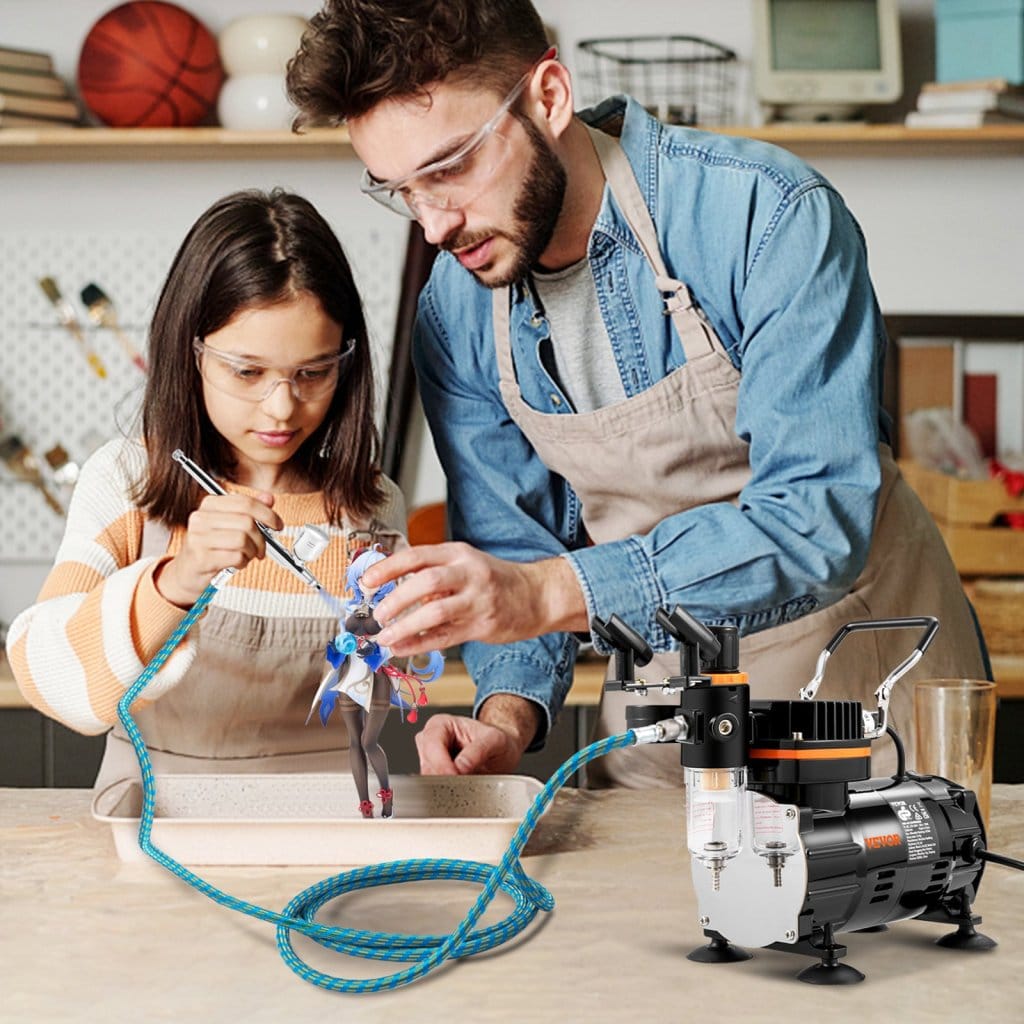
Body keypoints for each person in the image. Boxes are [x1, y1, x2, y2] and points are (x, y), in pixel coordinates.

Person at [286, 1, 988, 786]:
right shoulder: (453, 313)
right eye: (400, 190)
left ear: (548, 96)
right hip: (663, 732)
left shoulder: (762, 213)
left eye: (449, 169)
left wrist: (546, 591)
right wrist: (505, 718)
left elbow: (813, 517)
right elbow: (516, 549)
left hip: (865, 703)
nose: (434, 226)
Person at [6, 189, 407, 809]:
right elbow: (46, 676)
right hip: (157, 832)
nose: (281, 407)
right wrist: (176, 579)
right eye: (246, 372)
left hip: (334, 836)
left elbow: (386, 686)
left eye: (313, 372)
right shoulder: (127, 481)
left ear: (346, 364)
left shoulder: (374, 507)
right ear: (189, 350)